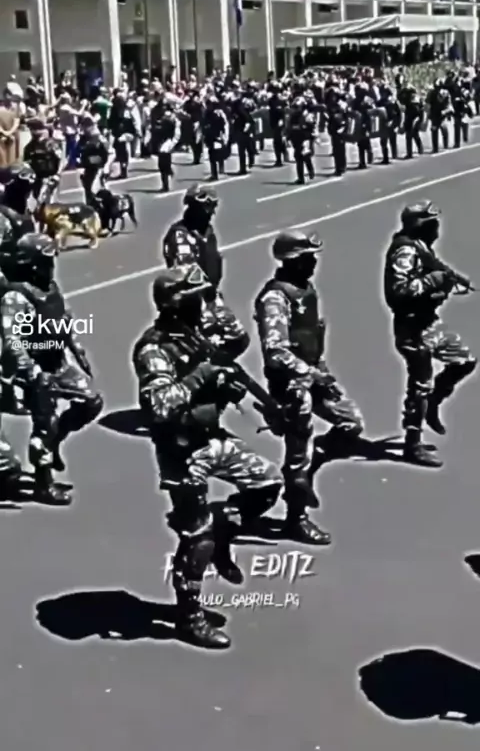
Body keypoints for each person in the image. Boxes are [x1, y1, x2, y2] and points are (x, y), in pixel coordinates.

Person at [132, 264, 282, 649]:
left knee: (267, 483)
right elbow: (159, 406)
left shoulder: (196, 335)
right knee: (196, 538)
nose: (203, 304)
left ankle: (223, 531)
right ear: (177, 304)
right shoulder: (154, 349)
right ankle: (189, 616)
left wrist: (224, 387)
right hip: (181, 451)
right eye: (196, 299)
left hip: (210, 437)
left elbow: (234, 345)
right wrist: (200, 377)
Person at [254, 231, 364, 544]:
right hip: (291, 385)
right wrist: (311, 374)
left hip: (314, 375)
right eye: (307, 258)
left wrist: (321, 373)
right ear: (291, 260)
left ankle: (312, 466)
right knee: (297, 455)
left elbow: (311, 340)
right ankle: (296, 519)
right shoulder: (275, 298)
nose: (313, 262)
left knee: (351, 423)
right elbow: (275, 351)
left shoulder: (305, 290)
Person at [0, 232, 104, 503]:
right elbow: (12, 341)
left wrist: (79, 353)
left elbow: (64, 320)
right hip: (36, 370)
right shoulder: (17, 297)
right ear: (31, 263)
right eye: (45, 261)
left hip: (58, 362)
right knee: (44, 424)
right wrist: (31, 373)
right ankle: (43, 483)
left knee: (91, 401)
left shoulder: (49, 287)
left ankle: (55, 440)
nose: (51, 265)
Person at [384, 200, 477, 467]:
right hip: (412, 328)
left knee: (464, 360)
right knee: (420, 386)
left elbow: (435, 265)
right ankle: (412, 444)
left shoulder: (420, 246)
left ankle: (433, 402)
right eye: (432, 224)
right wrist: (431, 282)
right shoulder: (404, 252)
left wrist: (454, 277)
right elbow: (398, 291)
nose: (437, 228)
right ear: (420, 226)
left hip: (429, 322)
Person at [162, 184, 248, 358]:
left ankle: (218, 365)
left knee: (239, 338)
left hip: (211, 296)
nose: (211, 213)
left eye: (213, 207)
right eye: (206, 208)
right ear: (194, 208)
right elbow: (188, 274)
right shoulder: (181, 235)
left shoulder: (207, 231)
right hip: (194, 301)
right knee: (207, 345)